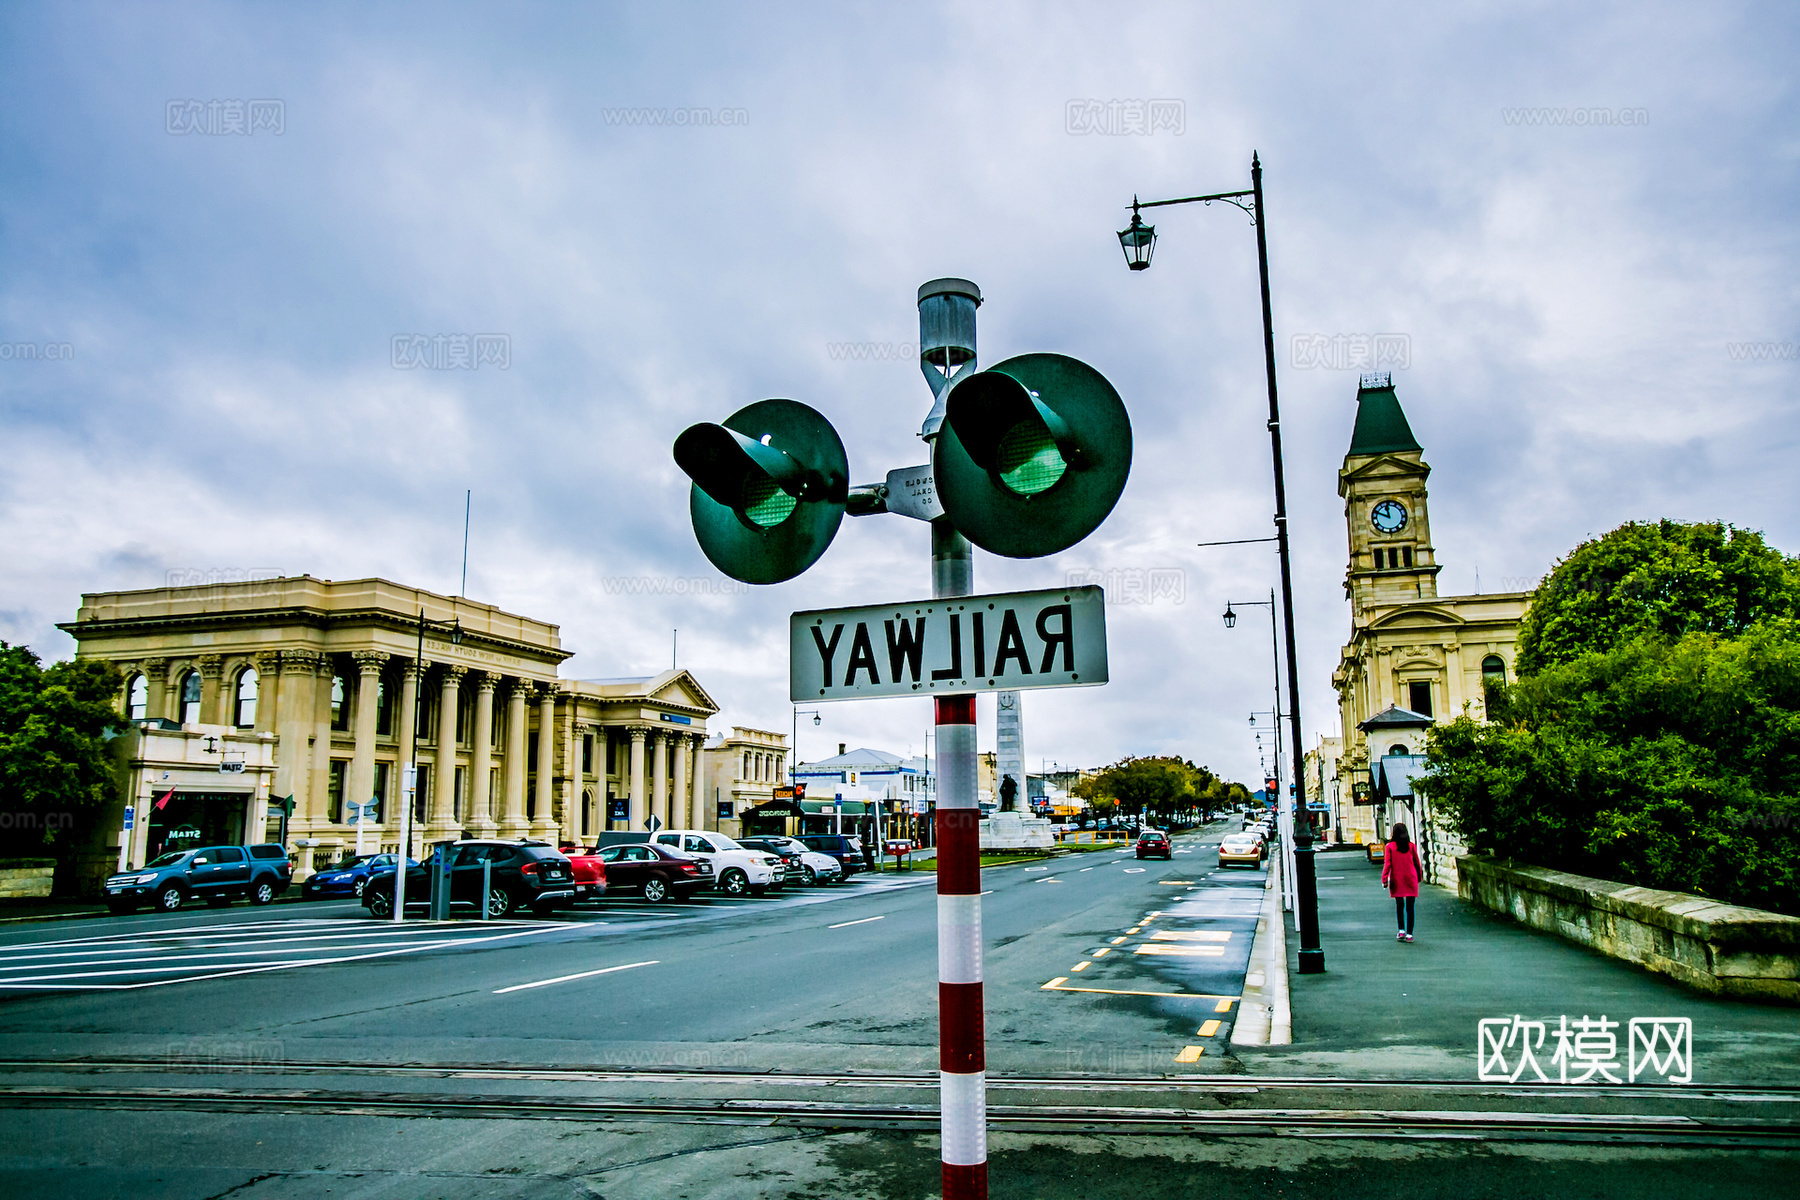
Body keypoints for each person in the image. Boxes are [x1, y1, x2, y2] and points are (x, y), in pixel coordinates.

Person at [1382, 822, 1423, 942]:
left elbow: (1388, 864)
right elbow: (1417, 863)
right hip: (1411, 878)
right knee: (1410, 907)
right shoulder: (1411, 846)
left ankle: (1401, 930)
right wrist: (1419, 877)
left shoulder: (1390, 847)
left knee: (1399, 906)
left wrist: (1384, 879)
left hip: (1397, 878)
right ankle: (1410, 934)